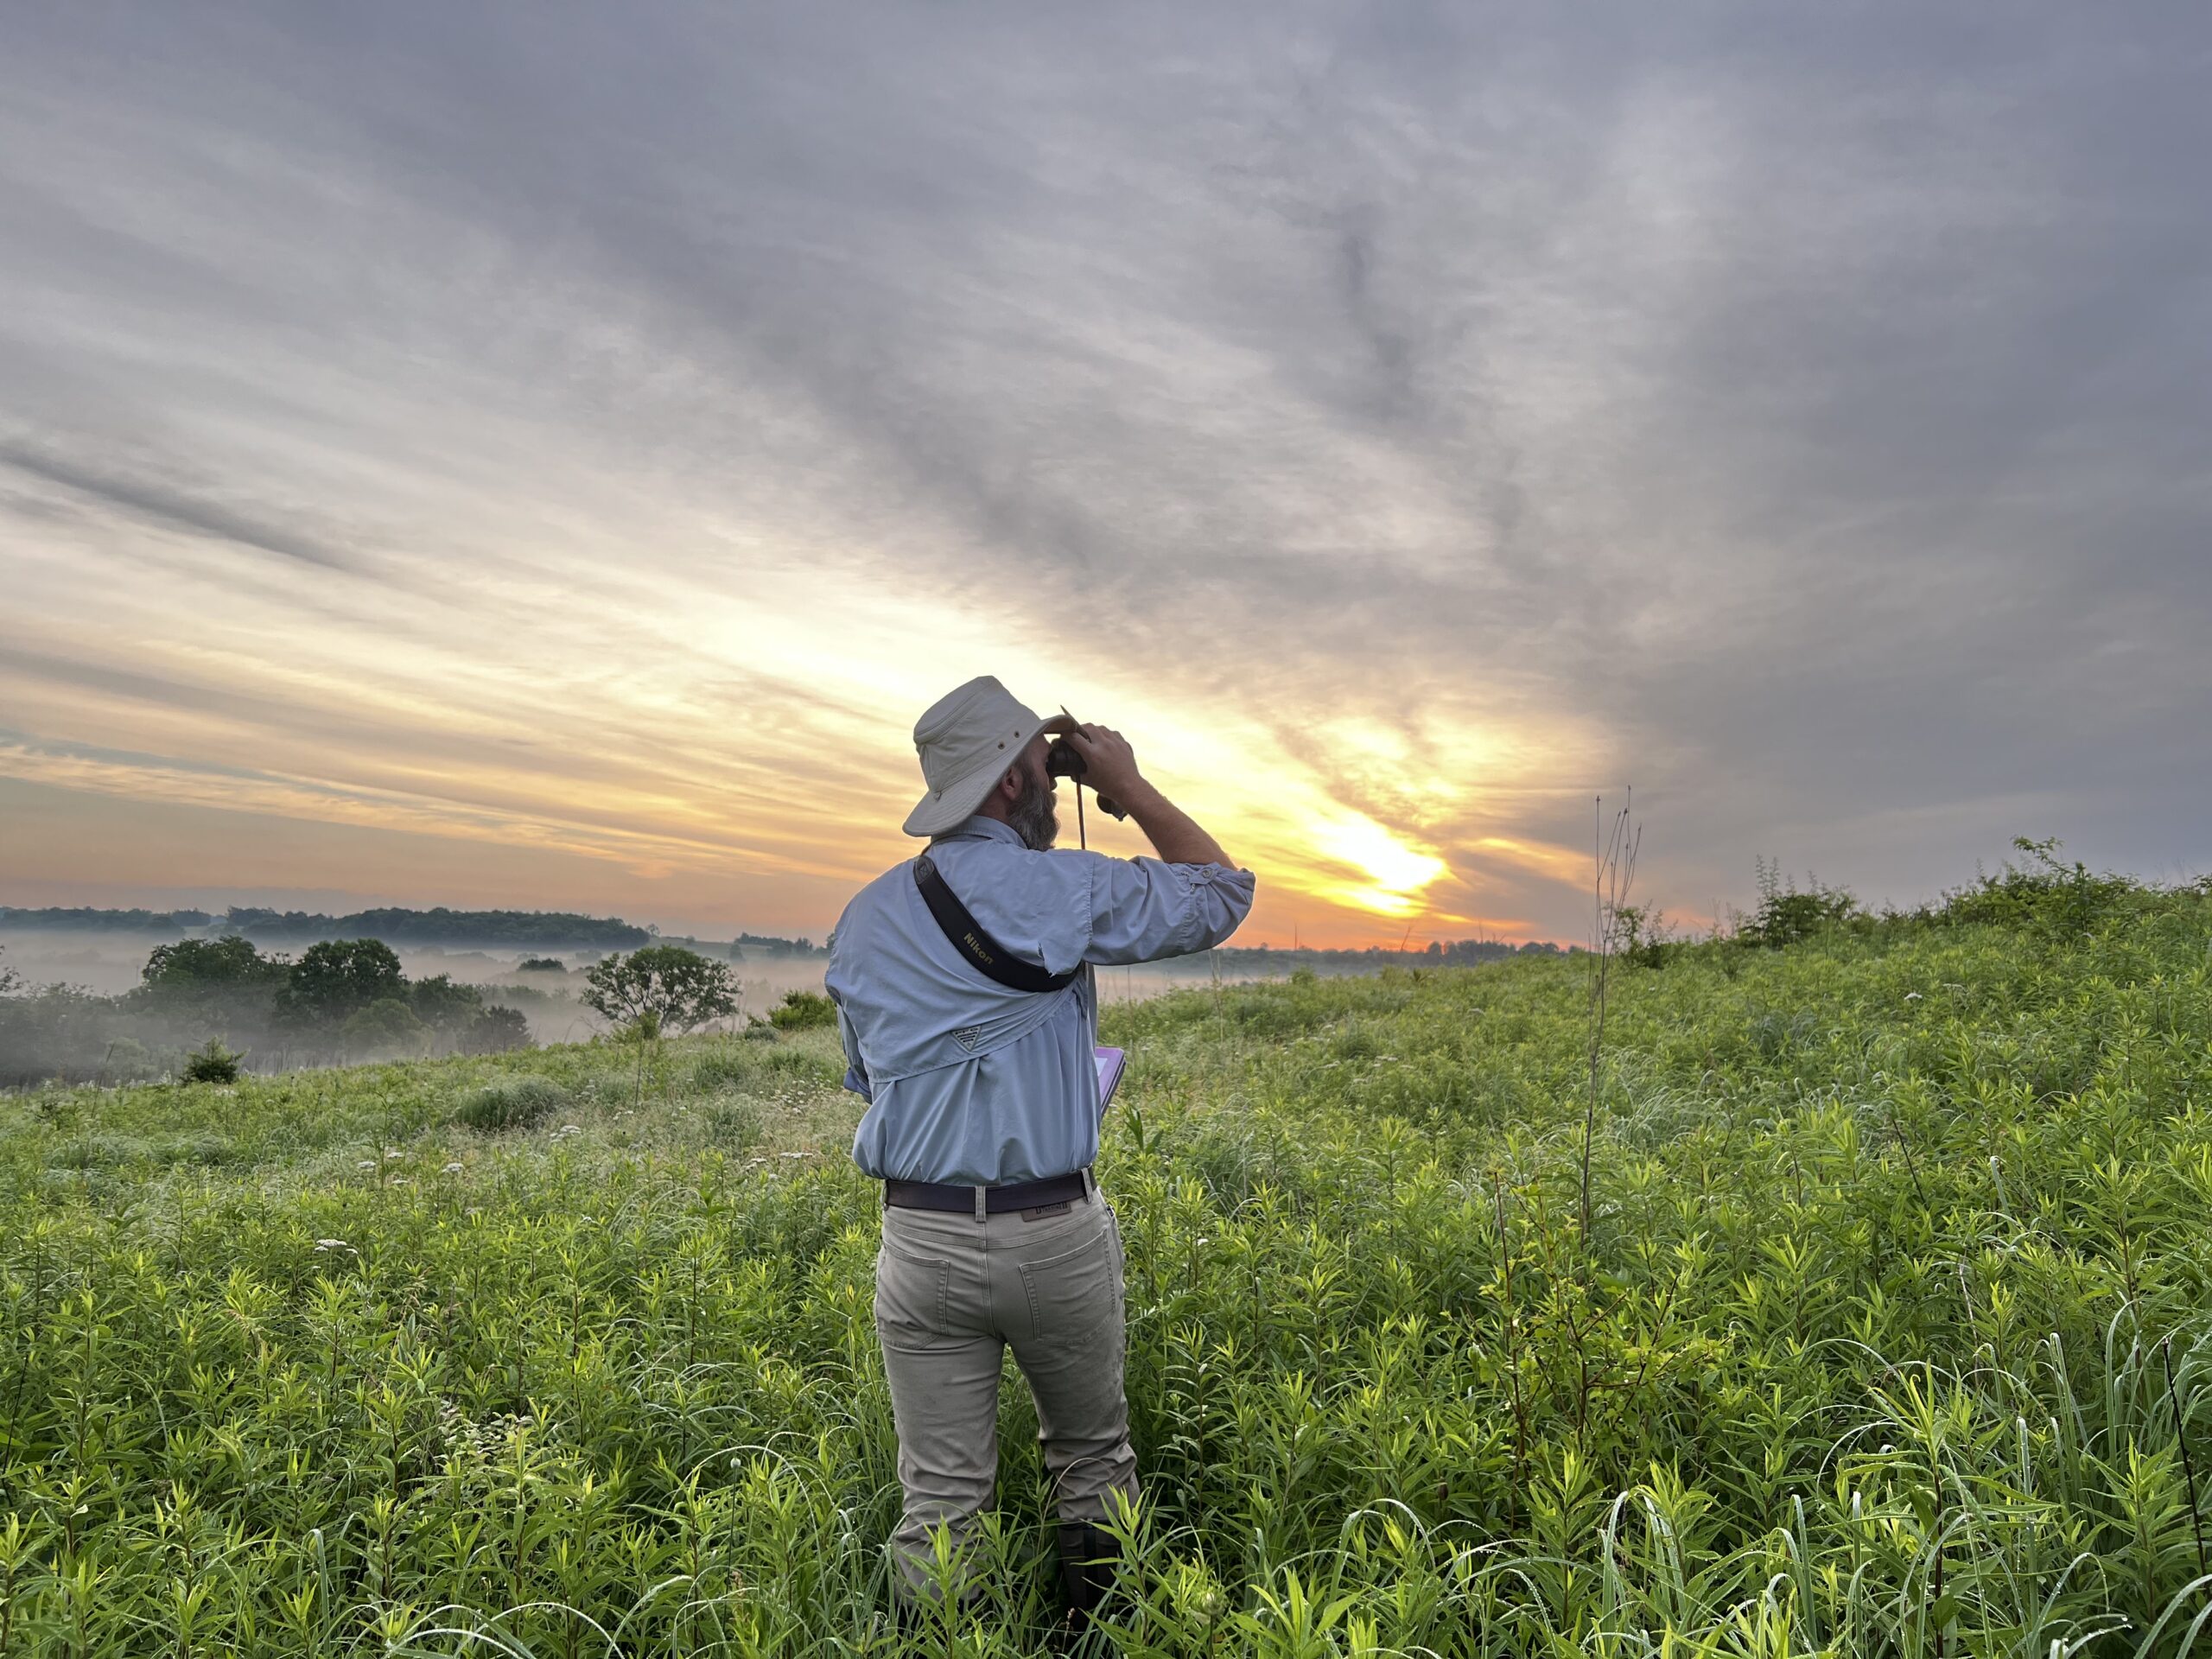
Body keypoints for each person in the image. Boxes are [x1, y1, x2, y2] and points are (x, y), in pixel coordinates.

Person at [825, 674, 1255, 1629]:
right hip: (1054, 1231)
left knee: (939, 1498)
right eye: (1045, 771)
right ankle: (1103, 1642)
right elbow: (1222, 893)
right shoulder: (1062, 887)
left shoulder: (862, 918)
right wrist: (1127, 786)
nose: (1058, 789)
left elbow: (868, 1079)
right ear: (1015, 784)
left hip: (920, 1239)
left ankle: (947, 1646)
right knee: (1093, 1462)